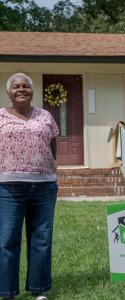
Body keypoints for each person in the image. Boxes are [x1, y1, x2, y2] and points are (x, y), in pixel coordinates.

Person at [0, 73, 59, 300]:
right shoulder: (1, 116)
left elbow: (53, 143)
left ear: (32, 91)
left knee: (41, 238)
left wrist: (51, 169)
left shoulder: (45, 115)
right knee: (7, 239)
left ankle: (39, 289)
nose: (21, 89)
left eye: (26, 86)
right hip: (8, 188)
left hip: (43, 187)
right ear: (9, 92)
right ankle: (7, 292)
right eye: (16, 87)